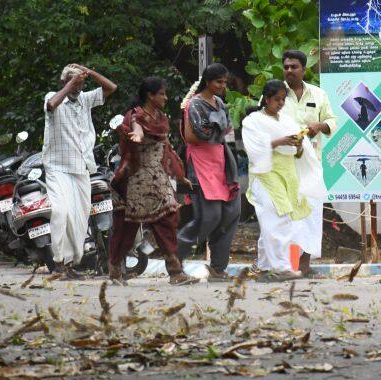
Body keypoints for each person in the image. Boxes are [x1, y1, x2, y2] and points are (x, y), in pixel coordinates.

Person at [108, 77, 198, 286]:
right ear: (150, 95)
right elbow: (135, 127)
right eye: (162, 94)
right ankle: (114, 269)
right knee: (127, 228)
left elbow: (167, 148)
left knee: (168, 219)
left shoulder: (160, 118)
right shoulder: (136, 116)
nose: (166, 98)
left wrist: (179, 174)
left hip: (158, 178)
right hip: (136, 180)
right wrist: (137, 136)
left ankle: (176, 272)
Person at [242, 80, 326, 280]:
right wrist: (281, 141)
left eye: (283, 99)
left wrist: (297, 146)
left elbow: (298, 152)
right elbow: (253, 149)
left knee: (276, 220)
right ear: (267, 99)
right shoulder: (253, 121)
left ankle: (263, 267)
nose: (280, 103)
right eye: (277, 99)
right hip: (265, 175)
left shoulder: (287, 121)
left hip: (287, 175)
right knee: (276, 219)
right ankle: (280, 268)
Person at [43, 63, 117, 277]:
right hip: (58, 167)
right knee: (60, 212)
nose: (78, 87)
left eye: (81, 83)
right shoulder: (54, 96)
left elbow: (111, 88)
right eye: (74, 83)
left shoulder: (84, 99)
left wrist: (90, 72)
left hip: (81, 166)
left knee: (79, 218)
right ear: (63, 83)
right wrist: (69, 85)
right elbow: (52, 104)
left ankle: (69, 264)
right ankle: (58, 262)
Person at [177, 63, 241, 281]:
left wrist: (214, 132)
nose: (222, 86)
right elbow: (191, 137)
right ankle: (174, 260)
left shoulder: (220, 102)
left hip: (221, 159)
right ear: (207, 81)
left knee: (231, 213)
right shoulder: (194, 104)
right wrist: (215, 131)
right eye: (218, 82)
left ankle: (218, 268)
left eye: (224, 82)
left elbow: (226, 130)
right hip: (201, 162)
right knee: (209, 216)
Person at [279, 50, 337, 278]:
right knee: (284, 214)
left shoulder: (319, 94)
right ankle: (283, 265)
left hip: (312, 164)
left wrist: (320, 126)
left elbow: (332, 120)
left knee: (311, 213)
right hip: (283, 165)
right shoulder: (275, 93)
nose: (290, 70)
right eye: (286, 67)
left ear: (304, 69)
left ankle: (304, 265)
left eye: (294, 66)